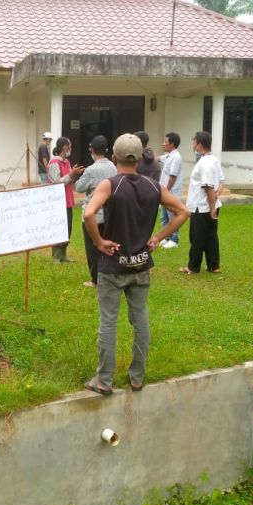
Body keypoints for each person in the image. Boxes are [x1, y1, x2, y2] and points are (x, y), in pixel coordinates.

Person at [82, 133, 190, 394]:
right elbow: (183, 212)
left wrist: (99, 243)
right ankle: (137, 377)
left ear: (114, 157)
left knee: (108, 322)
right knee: (140, 321)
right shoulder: (154, 186)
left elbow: (88, 213)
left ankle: (104, 381)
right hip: (141, 265)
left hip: (113, 267)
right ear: (140, 158)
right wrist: (158, 238)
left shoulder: (110, 184)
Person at [75, 135, 116, 287]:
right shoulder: (113, 166)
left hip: (92, 215)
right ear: (106, 150)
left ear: (91, 149)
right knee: (108, 245)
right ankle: (110, 275)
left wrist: (78, 176)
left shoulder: (91, 170)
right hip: (109, 214)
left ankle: (96, 280)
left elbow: (79, 187)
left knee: (93, 249)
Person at [179, 132, 223, 275]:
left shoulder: (205, 163)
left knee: (197, 237)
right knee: (211, 236)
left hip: (202, 207)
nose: (193, 145)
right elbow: (221, 183)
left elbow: (208, 187)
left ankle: (193, 267)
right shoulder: (214, 160)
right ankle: (213, 265)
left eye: (193, 142)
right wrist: (215, 202)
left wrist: (211, 207)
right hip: (210, 205)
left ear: (199, 144)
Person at [48, 136, 84, 262]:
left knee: (67, 227)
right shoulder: (54, 163)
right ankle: (56, 256)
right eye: (70, 146)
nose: (70, 148)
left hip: (67, 200)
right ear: (64, 147)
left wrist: (74, 174)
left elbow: (69, 179)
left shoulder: (67, 162)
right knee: (58, 227)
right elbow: (56, 182)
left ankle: (63, 254)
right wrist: (70, 174)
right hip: (57, 201)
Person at [157, 132, 183, 249]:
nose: (163, 144)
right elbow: (157, 158)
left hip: (171, 192)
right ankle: (165, 237)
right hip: (164, 191)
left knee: (172, 216)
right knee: (164, 217)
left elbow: (173, 176)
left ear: (172, 144)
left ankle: (174, 239)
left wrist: (166, 190)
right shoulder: (168, 156)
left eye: (166, 142)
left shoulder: (176, 157)